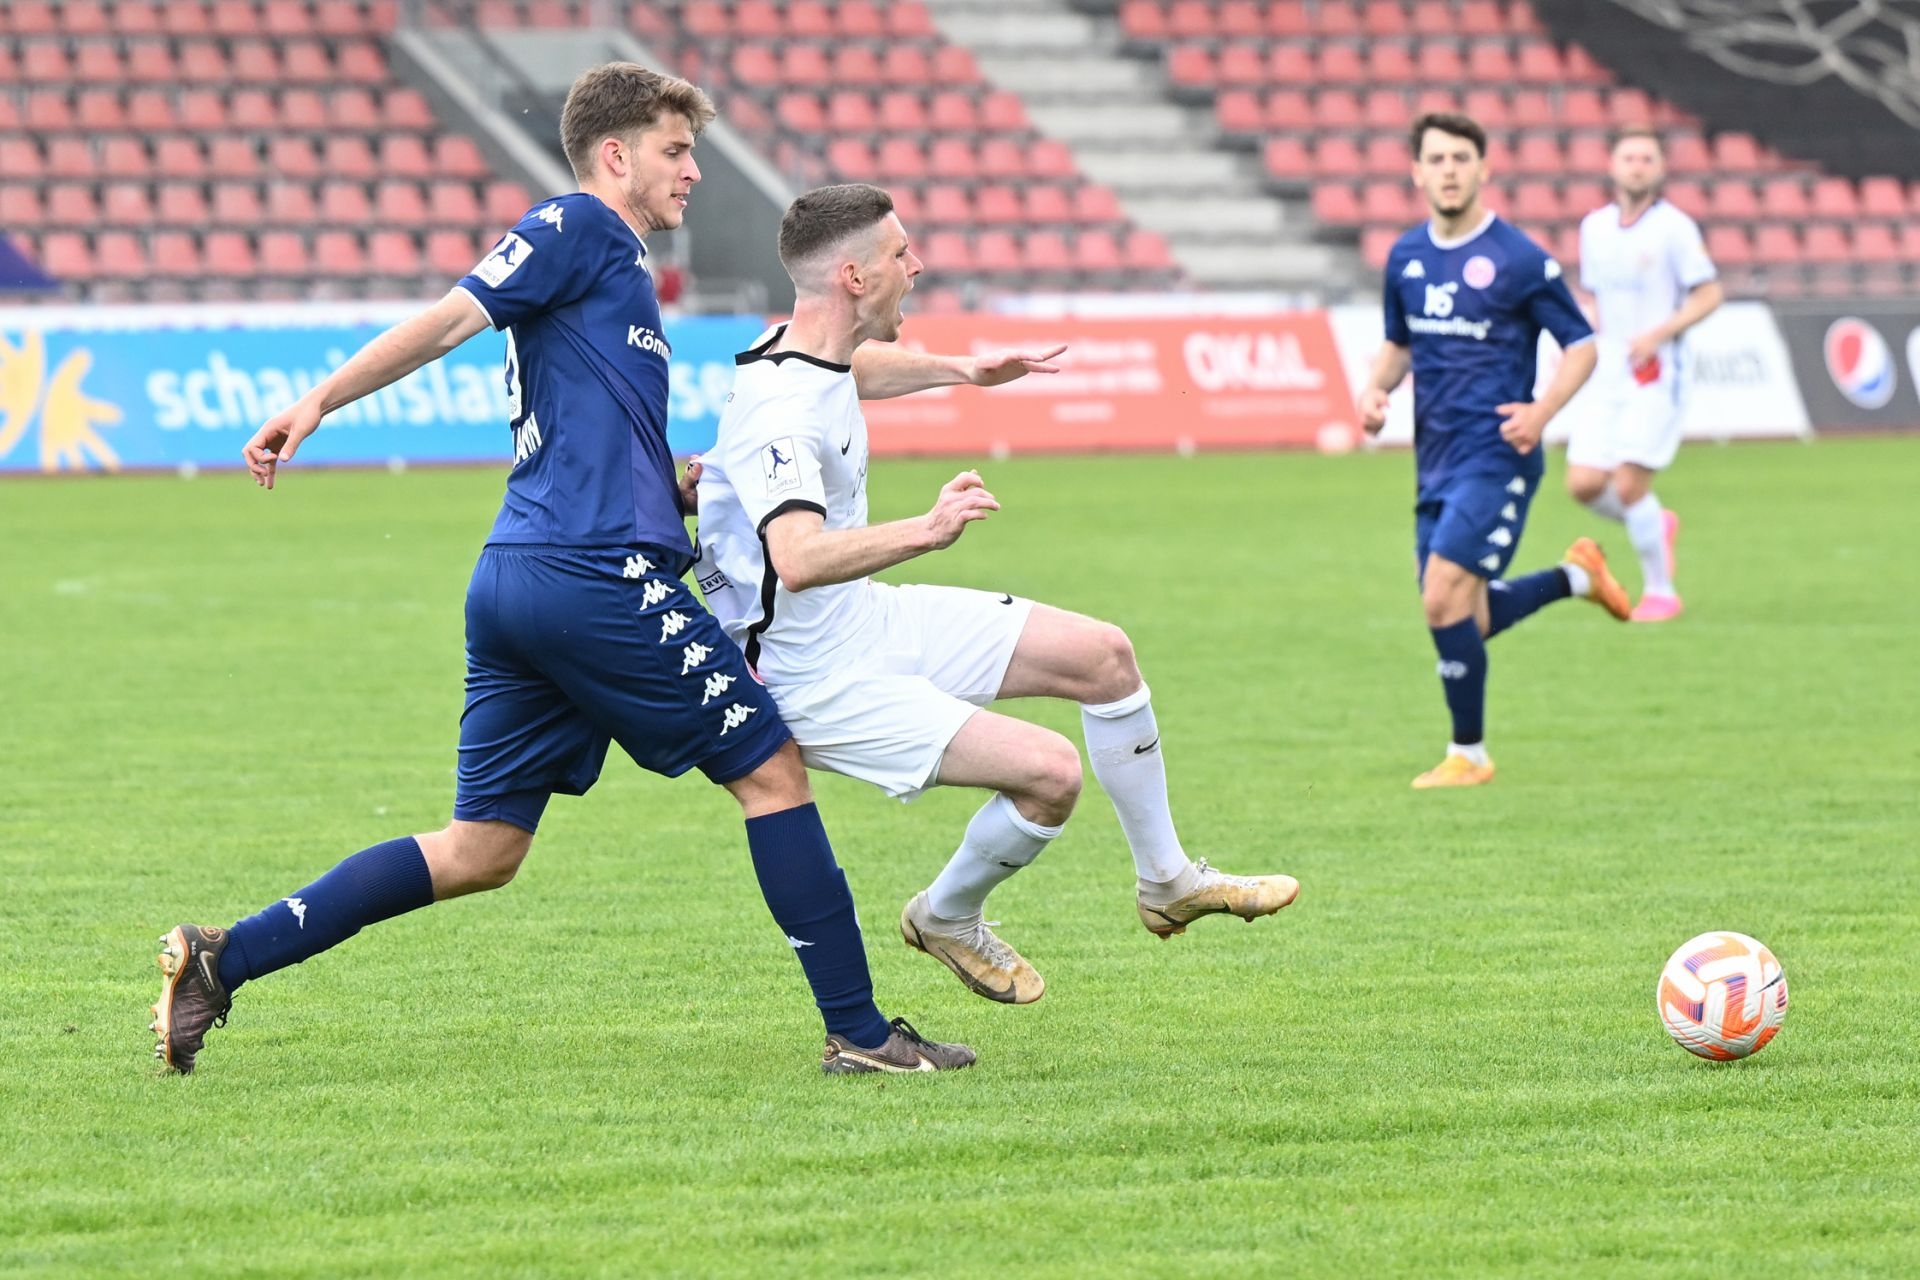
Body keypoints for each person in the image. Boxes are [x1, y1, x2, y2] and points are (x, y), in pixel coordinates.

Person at [150, 63, 1001, 1078]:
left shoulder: (614, 271)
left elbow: (590, 428)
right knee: (771, 768)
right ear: (615, 154)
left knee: (482, 848)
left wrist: (675, 489)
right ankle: (860, 1034)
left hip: (526, 574)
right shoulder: (579, 226)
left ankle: (225, 958)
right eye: (675, 150)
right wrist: (319, 401)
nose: (693, 170)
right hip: (594, 572)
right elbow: (450, 317)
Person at [692, 184, 1298, 1005]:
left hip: (865, 617)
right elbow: (795, 558)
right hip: (813, 675)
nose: (917, 265)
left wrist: (962, 371)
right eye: (900, 253)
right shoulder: (781, 411)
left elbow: (847, 368)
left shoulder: (793, 348)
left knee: (1104, 656)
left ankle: (1168, 882)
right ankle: (946, 915)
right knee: (1050, 775)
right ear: (854, 278)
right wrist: (927, 529)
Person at [1356, 113, 1632, 790]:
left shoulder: (1519, 259)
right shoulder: (1406, 257)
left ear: (1484, 168)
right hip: (1436, 460)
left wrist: (1541, 412)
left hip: (1498, 454)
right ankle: (1575, 578)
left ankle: (1469, 755)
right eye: (1436, 159)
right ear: (1416, 173)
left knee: (1441, 598)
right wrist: (1375, 389)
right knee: (1463, 615)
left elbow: (1582, 345)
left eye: (1461, 157)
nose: (1449, 170)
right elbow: (1400, 343)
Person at [1568, 127, 1723, 622]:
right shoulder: (1594, 228)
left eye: (1646, 158)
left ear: (1660, 169)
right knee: (1584, 484)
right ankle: (1657, 523)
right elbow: (1595, 297)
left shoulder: (1674, 228)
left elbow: (1709, 294)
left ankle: (1661, 592)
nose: (1637, 166)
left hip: (1655, 373)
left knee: (1630, 484)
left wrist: (1659, 333)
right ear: (1612, 166)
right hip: (1607, 370)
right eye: (1629, 157)